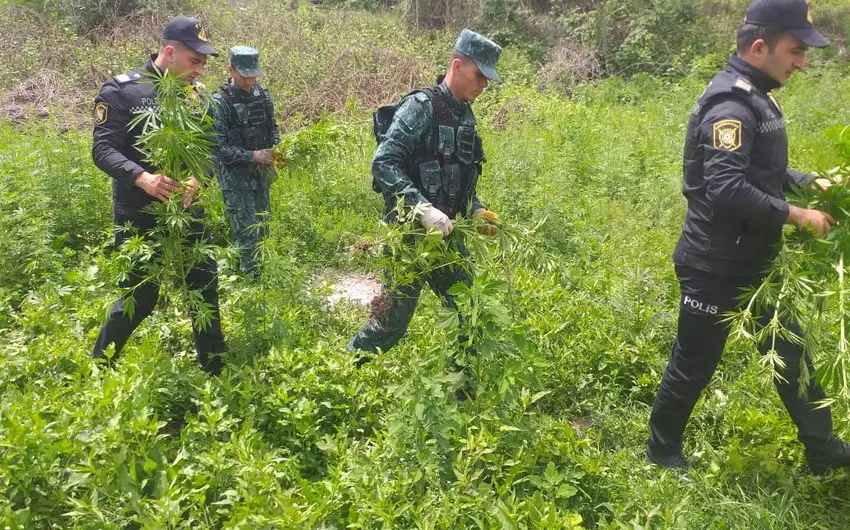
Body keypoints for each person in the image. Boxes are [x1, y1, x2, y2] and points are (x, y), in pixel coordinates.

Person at [646, 0, 850, 474]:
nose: (801, 62)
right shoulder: (731, 105)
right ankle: (661, 451)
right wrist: (796, 214)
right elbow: (725, 187)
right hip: (714, 264)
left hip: (756, 259)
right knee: (694, 363)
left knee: (791, 356)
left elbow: (761, 171)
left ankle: (822, 451)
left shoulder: (760, 92)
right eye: (795, 51)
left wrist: (806, 182)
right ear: (760, 48)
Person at [348, 29, 502, 399]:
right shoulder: (421, 107)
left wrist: (476, 210)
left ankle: (461, 394)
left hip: (449, 236)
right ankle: (346, 371)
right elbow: (383, 163)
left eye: (488, 78)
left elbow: (461, 177)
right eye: (479, 75)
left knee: (471, 308)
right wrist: (422, 208)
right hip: (408, 238)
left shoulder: (466, 116)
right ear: (456, 65)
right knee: (391, 323)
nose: (483, 84)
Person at [91, 15, 226, 375]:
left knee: (204, 288)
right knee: (140, 295)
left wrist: (199, 179)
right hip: (139, 211)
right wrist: (142, 178)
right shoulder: (122, 91)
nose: (200, 70)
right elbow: (102, 150)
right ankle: (100, 365)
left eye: (203, 63)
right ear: (169, 52)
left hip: (187, 210)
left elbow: (212, 150)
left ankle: (216, 369)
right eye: (194, 61)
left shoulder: (198, 99)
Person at [212, 46, 279, 276]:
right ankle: (251, 280)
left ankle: (263, 278)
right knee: (247, 232)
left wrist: (275, 151)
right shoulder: (220, 102)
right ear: (230, 69)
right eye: (244, 75)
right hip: (236, 179)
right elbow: (219, 148)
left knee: (263, 228)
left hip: (261, 175)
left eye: (254, 75)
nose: (250, 80)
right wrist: (252, 156)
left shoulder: (263, 95)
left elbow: (273, 129)